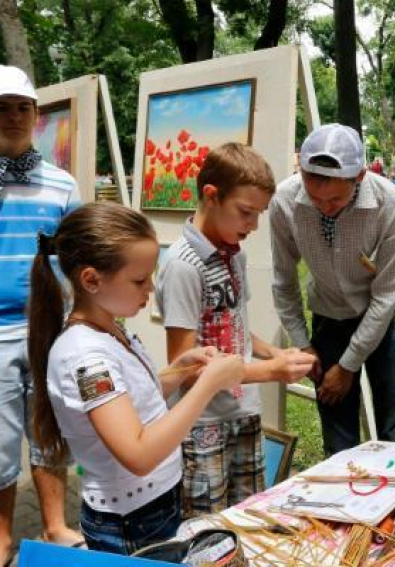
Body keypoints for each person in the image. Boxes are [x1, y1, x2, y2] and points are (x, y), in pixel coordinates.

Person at [28, 202, 246, 555]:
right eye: (139, 280)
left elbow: (131, 403)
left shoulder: (107, 328)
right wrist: (208, 385)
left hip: (150, 507)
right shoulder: (86, 357)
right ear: (91, 280)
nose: (150, 290)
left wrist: (181, 372)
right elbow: (138, 453)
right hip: (132, 520)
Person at [156, 143, 314, 518]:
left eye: (258, 214)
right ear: (211, 196)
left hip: (242, 413)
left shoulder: (233, 254)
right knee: (207, 530)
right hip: (203, 425)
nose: (253, 226)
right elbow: (184, 367)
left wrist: (273, 353)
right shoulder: (182, 265)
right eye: (245, 213)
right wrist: (271, 372)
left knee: (245, 519)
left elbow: (235, 325)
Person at [0, 64, 84, 567]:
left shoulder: (62, 184)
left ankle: (54, 525)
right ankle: (1, 541)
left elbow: (78, 257)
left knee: (50, 432)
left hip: (48, 330)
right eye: (2, 107)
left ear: (36, 115)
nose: (14, 117)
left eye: (23, 107)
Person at [270, 123, 395, 456]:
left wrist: (348, 366)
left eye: (335, 198)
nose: (324, 206)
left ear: (359, 177)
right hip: (327, 315)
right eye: (313, 195)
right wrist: (303, 345)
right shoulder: (285, 202)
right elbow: (283, 280)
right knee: (337, 436)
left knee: (394, 426)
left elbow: (386, 296)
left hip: (383, 319)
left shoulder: (394, 208)